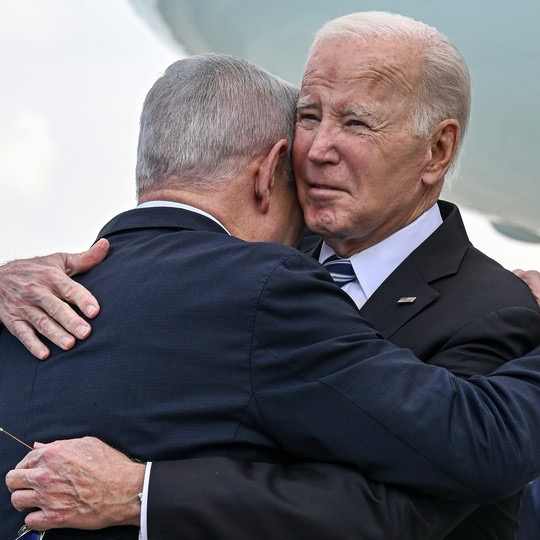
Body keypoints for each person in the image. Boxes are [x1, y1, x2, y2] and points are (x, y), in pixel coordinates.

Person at [2, 13, 540, 540]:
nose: (318, 149)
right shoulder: (236, 268)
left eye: (355, 122)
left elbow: (397, 513)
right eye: (308, 116)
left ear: (437, 149)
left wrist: (144, 493)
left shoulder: (495, 307)